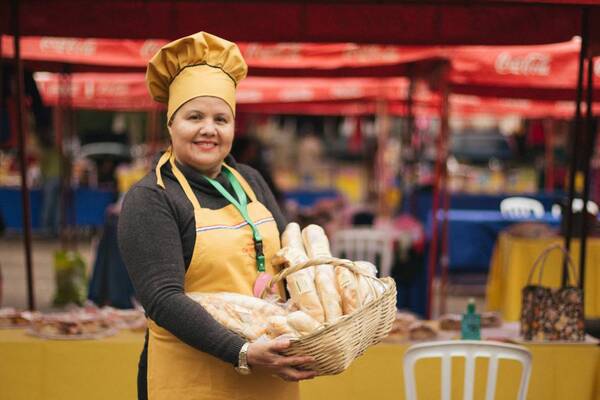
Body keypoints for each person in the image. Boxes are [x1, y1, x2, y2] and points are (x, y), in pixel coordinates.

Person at [117, 32, 315, 400]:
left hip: (268, 374)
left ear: (233, 127)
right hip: (192, 378)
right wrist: (241, 351)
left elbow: (290, 261)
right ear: (171, 124)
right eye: (195, 116)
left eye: (221, 118)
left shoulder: (250, 180)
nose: (209, 129)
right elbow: (163, 299)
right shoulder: (151, 198)